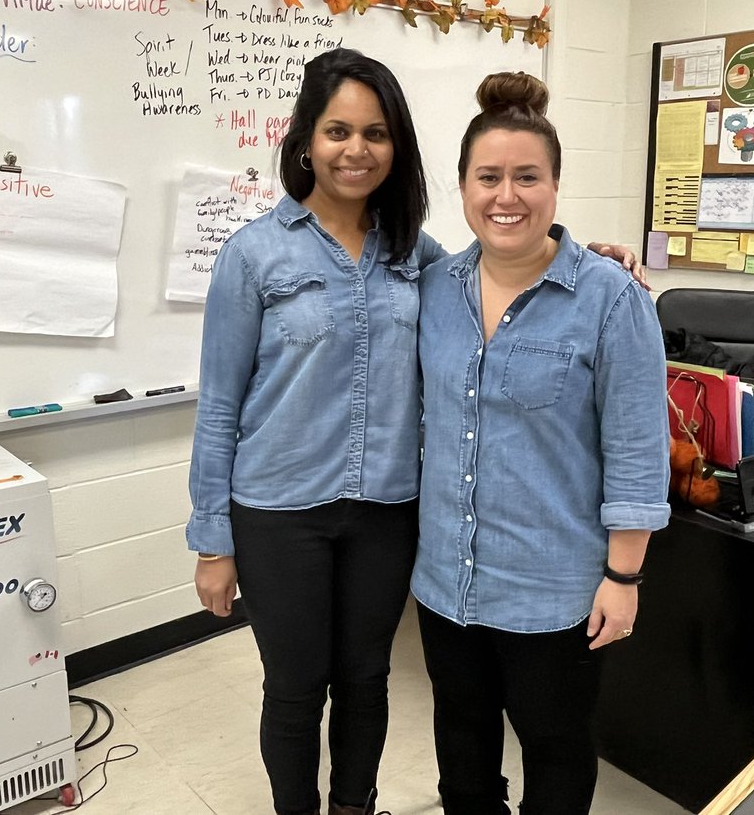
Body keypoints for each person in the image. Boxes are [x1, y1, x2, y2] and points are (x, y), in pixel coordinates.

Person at [187, 48, 643, 815]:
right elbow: (220, 405)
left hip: (385, 512)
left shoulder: (416, 258)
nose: (356, 149)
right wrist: (212, 538)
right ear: (305, 140)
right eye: (337, 131)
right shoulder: (254, 253)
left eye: (375, 132)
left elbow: (511, 258)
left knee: (367, 680)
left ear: (397, 147)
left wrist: (593, 258)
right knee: (296, 689)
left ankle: (354, 808)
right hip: (278, 509)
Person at [411, 71, 671, 815]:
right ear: (461, 187)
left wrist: (624, 578)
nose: (507, 196)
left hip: (555, 590)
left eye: (528, 177)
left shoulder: (610, 298)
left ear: (555, 186)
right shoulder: (434, 288)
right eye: (488, 177)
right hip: (445, 581)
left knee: (555, 750)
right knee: (462, 750)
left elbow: (636, 453)